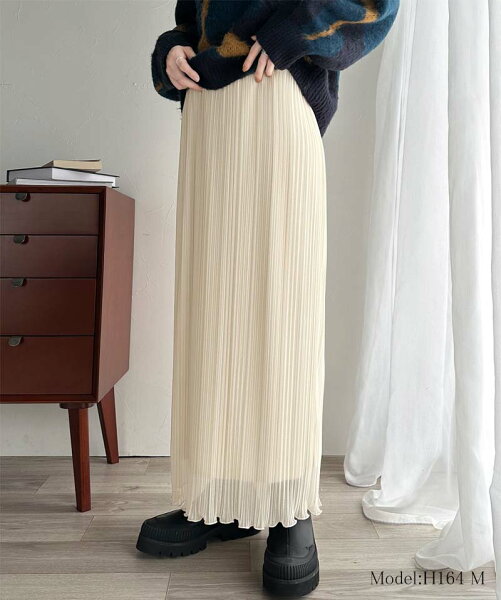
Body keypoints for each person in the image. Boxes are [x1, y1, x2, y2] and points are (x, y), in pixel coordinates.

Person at [137, 1, 399, 596]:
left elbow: (375, 5)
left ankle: (288, 506)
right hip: (207, 117)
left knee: (283, 306)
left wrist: (290, 33)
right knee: (210, 311)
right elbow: (192, 18)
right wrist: (171, 51)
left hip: (278, 93)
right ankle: (219, 497)